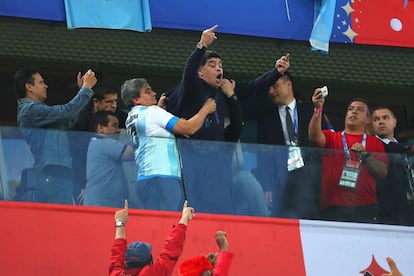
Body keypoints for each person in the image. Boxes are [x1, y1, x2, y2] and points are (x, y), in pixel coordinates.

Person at [165, 24, 289, 214]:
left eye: (220, 65)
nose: (218, 69)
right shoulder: (191, 87)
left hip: (219, 164)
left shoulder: (224, 89)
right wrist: (201, 46)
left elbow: (252, 87)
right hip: (193, 162)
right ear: (200, 72)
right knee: (196, 209)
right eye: (212, 65)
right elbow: (188, 72)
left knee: (220, 210)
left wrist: (276, 71)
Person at [121, 78, 216, 211]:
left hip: (145, 179)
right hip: (162, 178)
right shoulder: (152, 112)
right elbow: (189, 128)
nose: (154, 93)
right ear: (136, 100)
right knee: (164, 225)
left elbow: (151, 130)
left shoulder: (131, 117)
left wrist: (161, 110)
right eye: (147, 92)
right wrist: (206, 109)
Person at [15, 67, 97, 204]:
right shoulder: (29, 110)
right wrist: (86, 89)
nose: (46, 86)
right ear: (29, 87)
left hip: (60, 175)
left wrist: (82, 92)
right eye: (41, 82)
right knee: (61, 222)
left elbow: (70, 119)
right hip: (52, 176)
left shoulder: (40, 114)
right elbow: (66, 112)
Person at [308, 92, 388, 223]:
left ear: (368, 119)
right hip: (333, 205)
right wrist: (318, 109)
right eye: (351, 109)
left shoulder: (375, 143)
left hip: (365, 205)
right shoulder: (333, 137)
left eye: (360, 110)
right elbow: (314, 136)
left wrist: (366, 155)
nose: (354, 112)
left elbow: (382, 172)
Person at [256, 73, 323, 219]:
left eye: (275, 86)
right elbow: (263, 156)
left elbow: (320, 142)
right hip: (280, 177)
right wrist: (266, 187)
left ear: (288, 85)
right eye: (269, 88)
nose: (271, 92)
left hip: (309, 174)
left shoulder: (309, 110)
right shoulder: (266, 120)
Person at [69, 82, 127, 204]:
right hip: (85, 183)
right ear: (96, 102)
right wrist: (84, 186)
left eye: (115, 101)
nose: (114, 106)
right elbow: (78, 158)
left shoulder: (115, 115)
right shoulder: (81, 122)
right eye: (109, 102)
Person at [109, 199, 195, 276]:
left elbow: (117, 255)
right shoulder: (152, 273)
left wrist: (120, 222)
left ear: (126, 262)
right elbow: (171, 250)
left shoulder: (116, 274)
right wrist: (184, 218)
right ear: (150, 261)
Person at [371, 106, 414, 225]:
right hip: (382, 208)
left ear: (394, 122)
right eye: (376, 119)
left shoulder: (400, 147)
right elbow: (390, 148)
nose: (381, 121)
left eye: (385, 118)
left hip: (405, 205)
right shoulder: (371, 145)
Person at [83, 111, 134, 208]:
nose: (118, 130)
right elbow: (130, 153)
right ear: (101, 128)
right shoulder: (103, 143)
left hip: (102, 203)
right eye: (114, 126)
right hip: (101, 205)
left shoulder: (94, 144)